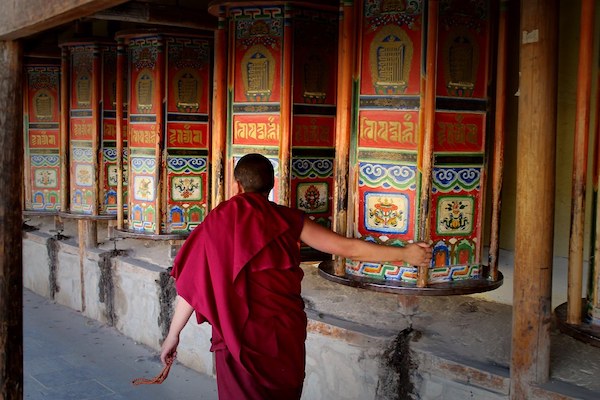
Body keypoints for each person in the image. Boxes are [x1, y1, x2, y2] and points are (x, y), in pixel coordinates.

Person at [160, 153, 432, 400]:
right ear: (271, 185)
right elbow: (345, 248)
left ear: (237, 186)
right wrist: (404, 254)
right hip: (282, 336)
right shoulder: (289, 220)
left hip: (238, 338)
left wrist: (173, 335)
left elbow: (193, 284)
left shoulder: (217, 222)